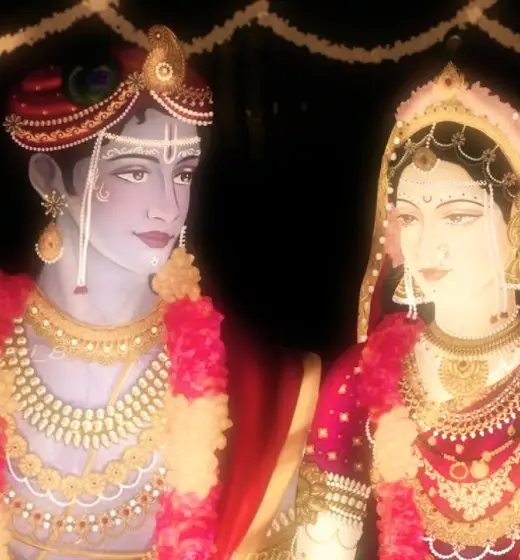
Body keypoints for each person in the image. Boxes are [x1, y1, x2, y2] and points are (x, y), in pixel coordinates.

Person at [0, 25, 321, 560]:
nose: (167, 207)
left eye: (183, 172)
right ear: (49, 178)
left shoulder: (257, 390)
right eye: (134, 172)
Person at [292, 63, 520, 559]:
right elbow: (321, 547)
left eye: (457, 216)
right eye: (411, 218)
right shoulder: (360, 379)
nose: (427, 243)